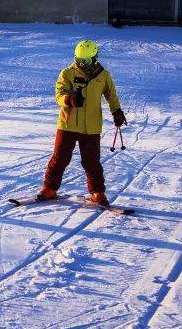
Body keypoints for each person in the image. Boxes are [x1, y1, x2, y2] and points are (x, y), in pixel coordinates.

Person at [38, 39, 126, 206]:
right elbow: (59, 94)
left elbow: (111, 95)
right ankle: (49, 188)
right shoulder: (67, 73)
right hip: (67, 124)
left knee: (92, 162)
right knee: (59, 158)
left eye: (84, 61)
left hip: (91, 126)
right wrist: (69, 99)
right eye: (77, 59)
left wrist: (117, 111)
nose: (80, 64)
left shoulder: (104, 75)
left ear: (94, 58)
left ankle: (97, 192)